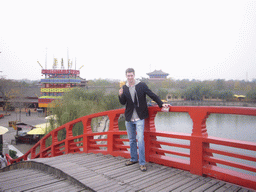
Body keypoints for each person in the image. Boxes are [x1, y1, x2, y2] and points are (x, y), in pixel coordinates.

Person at [119, 68, 170, 171]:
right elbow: (123, 102)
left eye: (131, 75)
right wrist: (120, 95)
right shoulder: (124, 87)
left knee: (140, 140)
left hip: (139, 117)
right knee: (132, 140)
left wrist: (161, 104)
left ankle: (142, 163)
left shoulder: (141, 85)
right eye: (128, 76)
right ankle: (133, 158)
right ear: (126, 76)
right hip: (129, 117)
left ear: (134, 75)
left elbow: (152, 95)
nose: (130, 77)